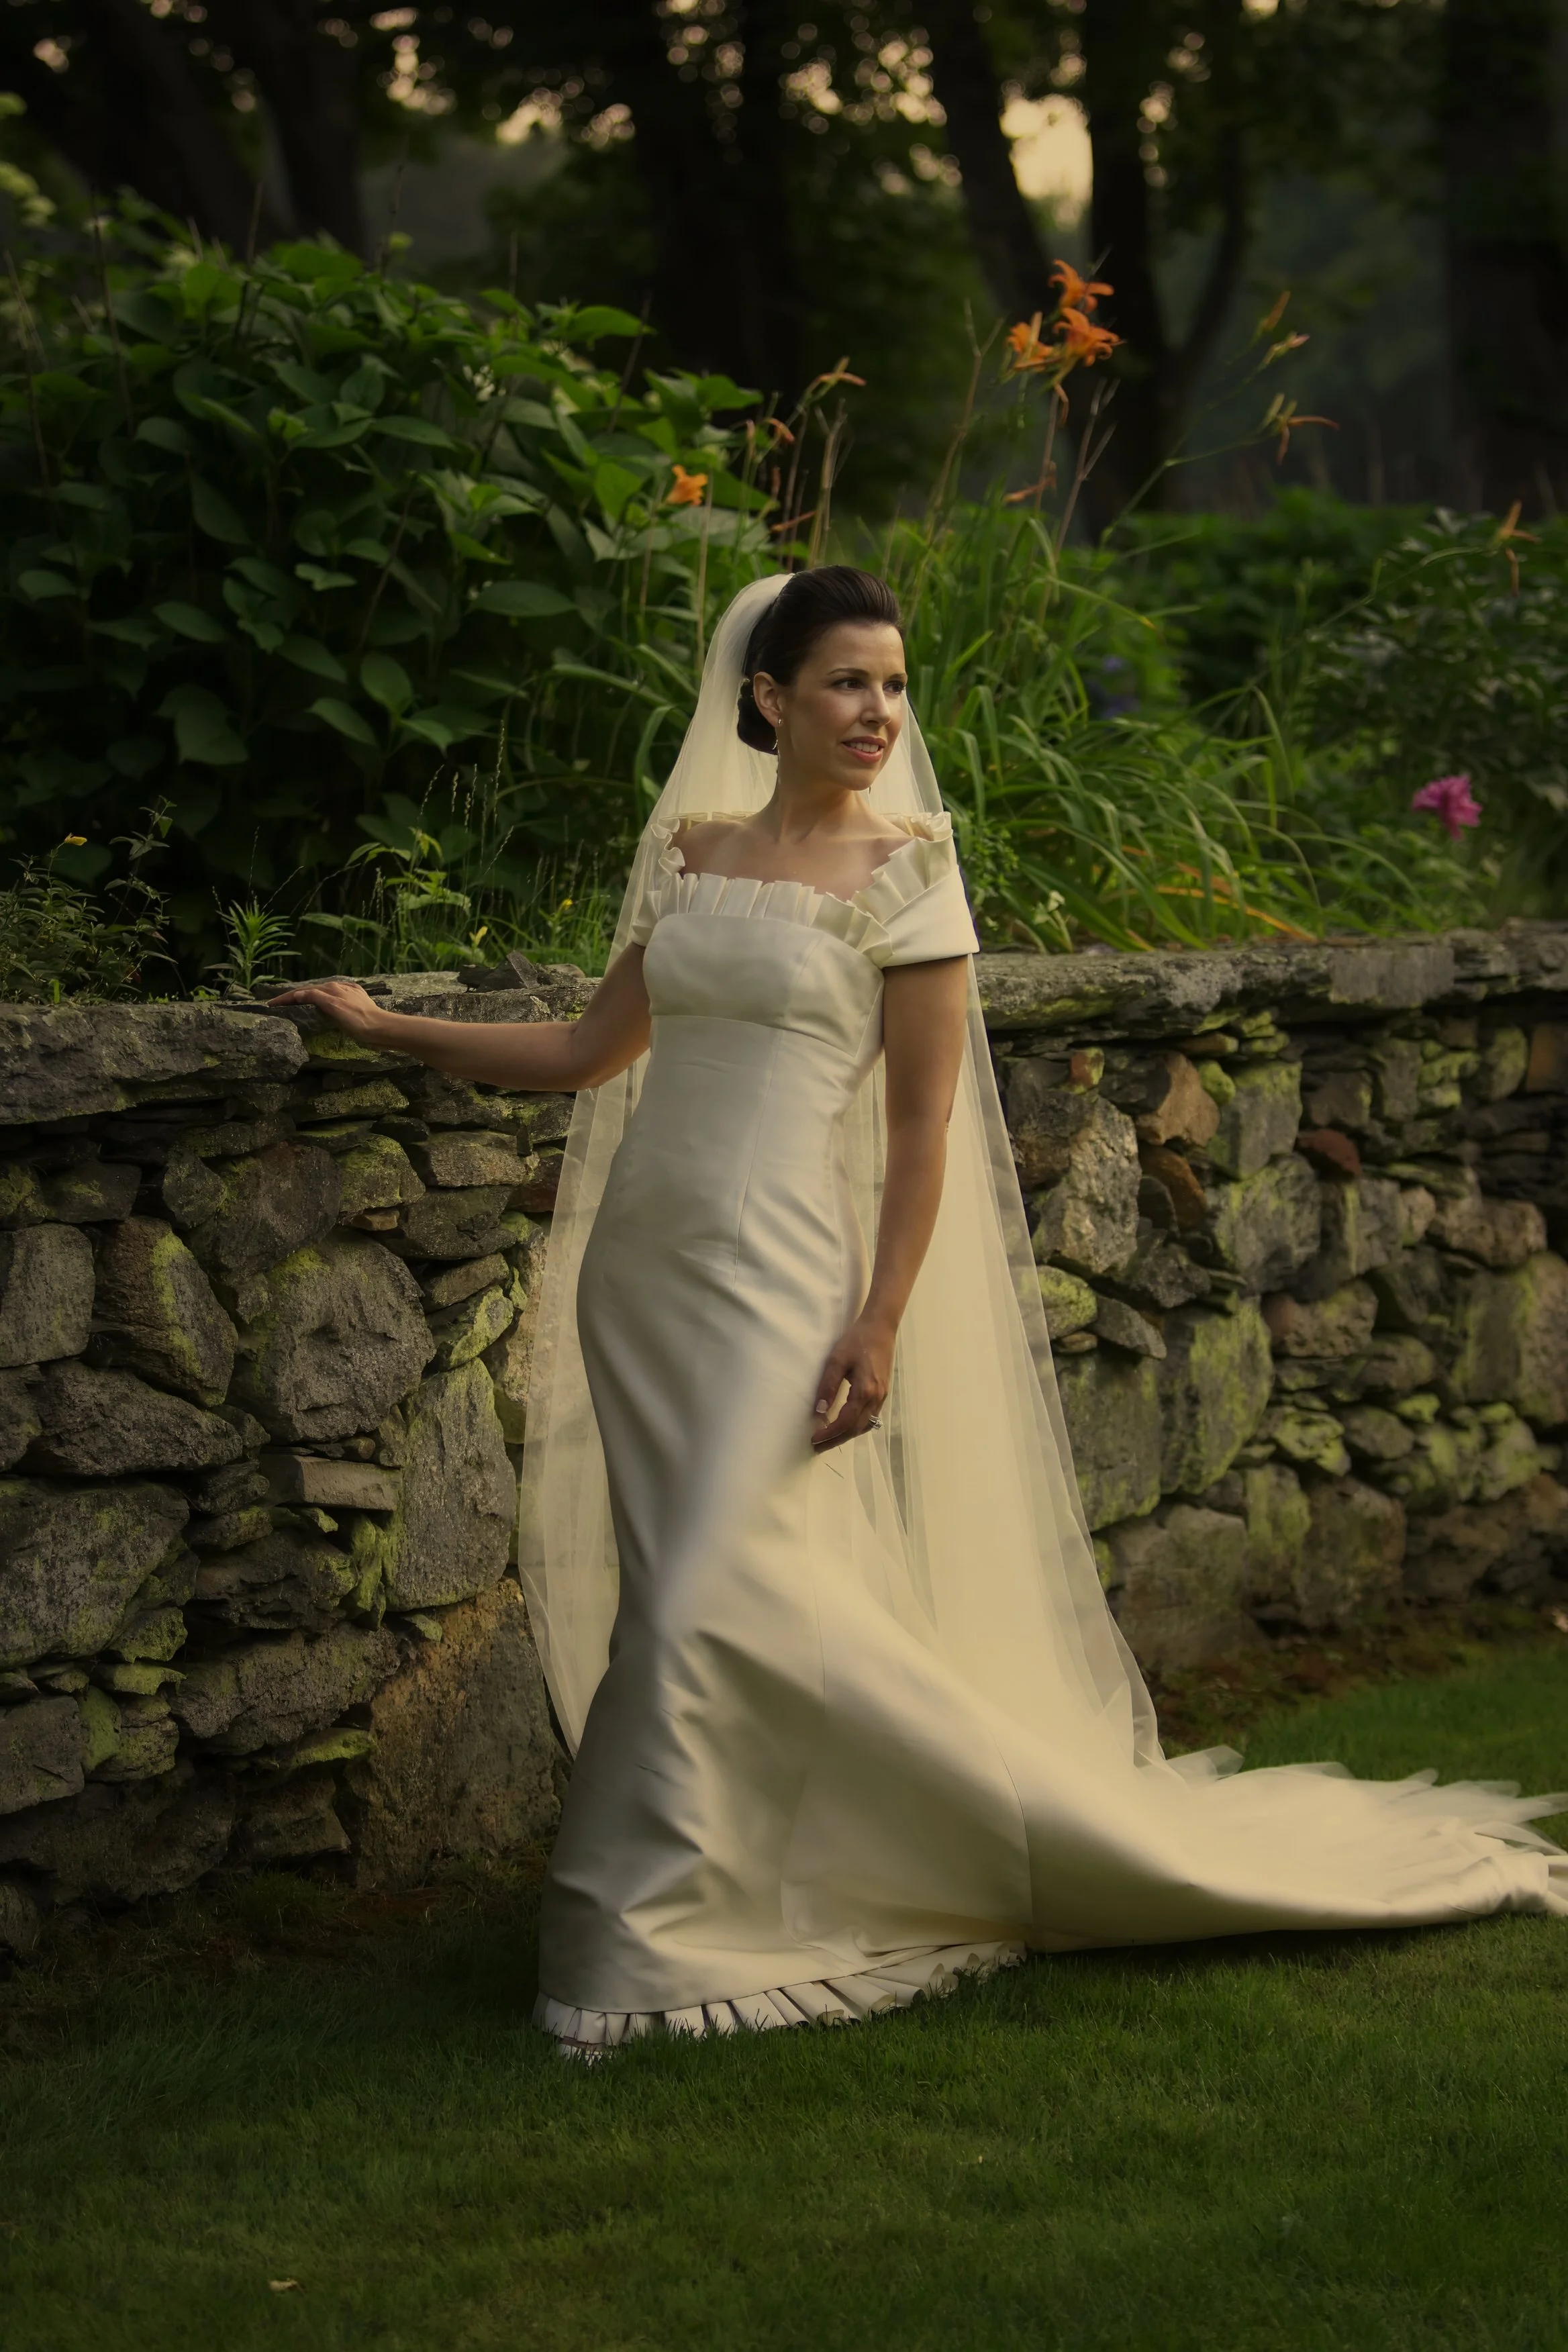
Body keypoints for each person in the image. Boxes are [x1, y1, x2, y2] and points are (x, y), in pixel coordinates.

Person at [275, 567, 1567, 2055]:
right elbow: (583, 1052)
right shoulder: (688, 855)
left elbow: (919, 1132)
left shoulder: (913, 876)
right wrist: (384, 1026)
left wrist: (877, 1320)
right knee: (700, 1596)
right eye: (844, 682)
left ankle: (640, 1947)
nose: (878, 711)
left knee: (706, 1590)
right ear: (766, 697)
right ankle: (737, 1882)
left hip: (779, 1276)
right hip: (645, 1272)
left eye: (892, 684)